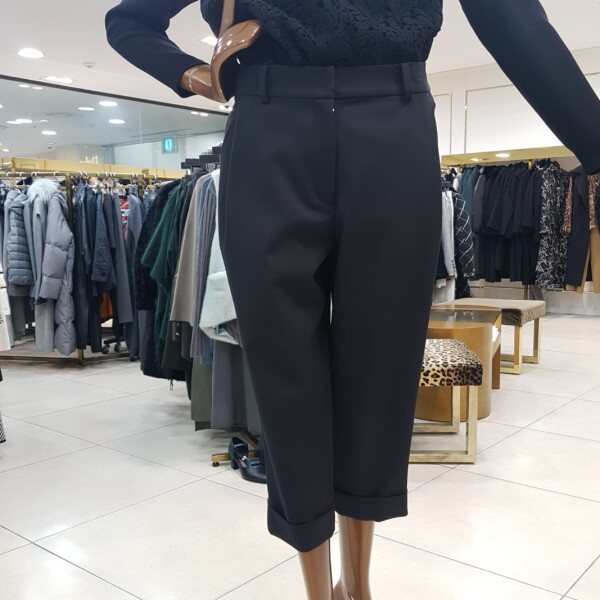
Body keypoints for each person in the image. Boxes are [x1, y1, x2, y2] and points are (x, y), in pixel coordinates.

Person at [105, 2, 600, 598]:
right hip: (268, 127)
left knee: (381, 366)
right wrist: (191, 74)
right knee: (285, 373)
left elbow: (511, 19)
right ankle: (319, 589)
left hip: (394, 125)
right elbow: (129, 20)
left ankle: (357, 585)